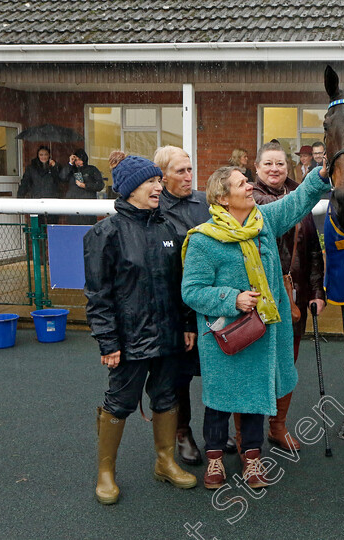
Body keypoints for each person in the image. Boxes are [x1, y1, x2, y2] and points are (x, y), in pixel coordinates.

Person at [180, 163, 331, 490]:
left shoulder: (265, 220)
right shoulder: (203, 240)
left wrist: (321, 176)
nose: (250, 186)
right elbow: (192, 291)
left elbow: (299, 199)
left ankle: (252, 458)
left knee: (255, 397)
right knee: (219, 401)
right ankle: (215, 459)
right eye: (241, 184)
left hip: (262, 334)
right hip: (223, 337)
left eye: (248, 181)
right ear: (222, 197)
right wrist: (233, 298)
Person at [84, 152, 197, 505]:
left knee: (166, 398)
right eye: (150, 181)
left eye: (158, 181)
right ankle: (105, 473)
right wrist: (108, 342)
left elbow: (182, 285)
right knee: (119, 403)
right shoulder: (105, 233)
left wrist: (186, 325)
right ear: (130, 189)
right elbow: (98, 296)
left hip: (168, 336)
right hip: (128, 342)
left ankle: (165, 462)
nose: (158, 186)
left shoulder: (170, 228)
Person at [251, 141, 327, 452]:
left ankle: (277, 427)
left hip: (295, 298)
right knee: (255, 365)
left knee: (287, 362)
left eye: (280, 164)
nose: (274, 169)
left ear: (288, 167)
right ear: (256, 168)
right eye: (267, 163)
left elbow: (312, 250)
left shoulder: (300, 198)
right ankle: (248, 435)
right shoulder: (248, 199)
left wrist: (317, 290)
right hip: (260, 297)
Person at [154, 145, 209, 466]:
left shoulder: (204, 202)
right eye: (180, 171)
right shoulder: (154, 209)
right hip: (174, 308)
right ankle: (183, 433)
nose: (189, 176)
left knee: (216, 369)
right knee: (180, 377)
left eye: (190, 169)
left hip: (207, 304)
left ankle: (215, 431)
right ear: (162, 177)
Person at [61, 148, 104, 224]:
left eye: (80, 160)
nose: (78, 162)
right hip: (73, 205)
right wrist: (70, 163)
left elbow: (100, 185)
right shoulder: (71, 170)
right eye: (76, 160)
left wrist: (85, 186)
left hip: (88, 204)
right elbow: (62, 177)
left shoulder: (92, 169)